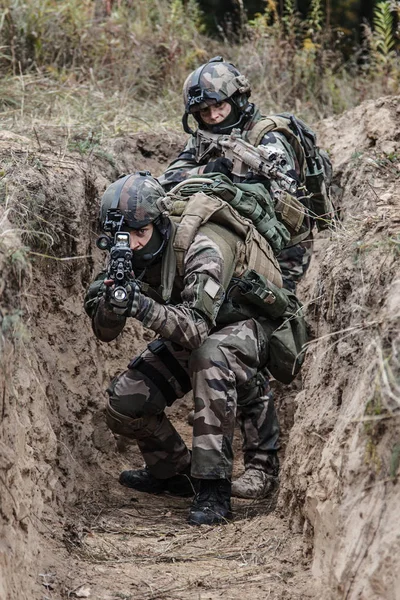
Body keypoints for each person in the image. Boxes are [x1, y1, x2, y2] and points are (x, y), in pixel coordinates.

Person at [84, 171, 306, 525]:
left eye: (140, 233)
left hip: (250, 327)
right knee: (125, 403)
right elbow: (105, 331)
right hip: (198, 331)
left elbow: (195, 329)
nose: (134, 244)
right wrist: (113, 305)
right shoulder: (124, 252)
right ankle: (174, 473)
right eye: (122, 236)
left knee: (210, 356)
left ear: (159, 223)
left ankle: (213, 486)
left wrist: (142, 306)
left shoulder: (204, 245)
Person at [157, 56, 333, 499]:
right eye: (204, 112)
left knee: (252, 351)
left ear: (238, 99)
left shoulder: (266, 138)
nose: (214, 117)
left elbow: (281, 201)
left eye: (219, 107)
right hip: (231, 255)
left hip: (278, 259)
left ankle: (262, 465)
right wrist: (212, 170)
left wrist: (233, 177)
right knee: (216, 340)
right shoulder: (207, 140)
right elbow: (169, 182)